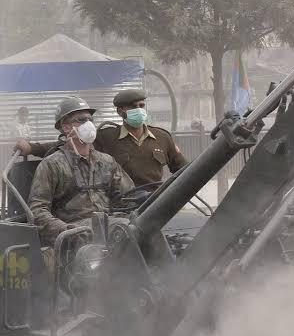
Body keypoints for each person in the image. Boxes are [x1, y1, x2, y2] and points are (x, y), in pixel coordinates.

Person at [15, 89, 187, 189]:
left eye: (141, 106)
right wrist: (32, 148)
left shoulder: (162, 137)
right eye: (133, 107)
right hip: (124, 204)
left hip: (158, 203)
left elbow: (184, 170)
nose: (139, 110)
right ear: (121, 112)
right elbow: (70, 144)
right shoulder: (107, 137)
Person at [28, 97, 134, 247]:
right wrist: (66, 231)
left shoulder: (107, 161)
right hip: (75, 237)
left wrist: (123, 219)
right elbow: (38, 211)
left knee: (143, 232)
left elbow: (127, 198)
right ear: (66, 127)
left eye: (90, 119)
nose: (89, 124)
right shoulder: (51, 165)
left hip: (110, 228)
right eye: (82, 120)